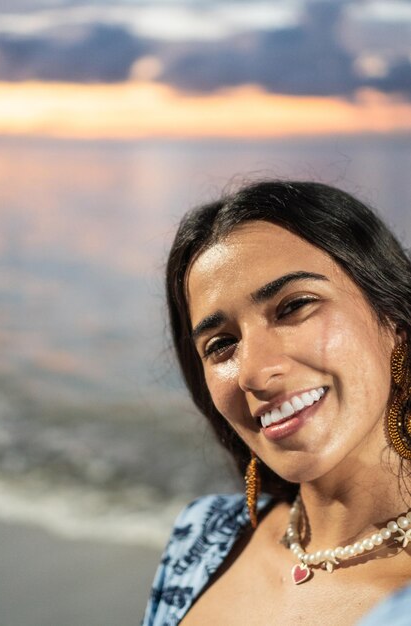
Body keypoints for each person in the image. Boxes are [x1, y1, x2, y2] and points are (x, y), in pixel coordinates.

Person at [142, 180, 411, 625]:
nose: (253, 372)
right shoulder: (203, 538)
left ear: (395, 320)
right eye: (221, 343)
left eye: (293, 306)